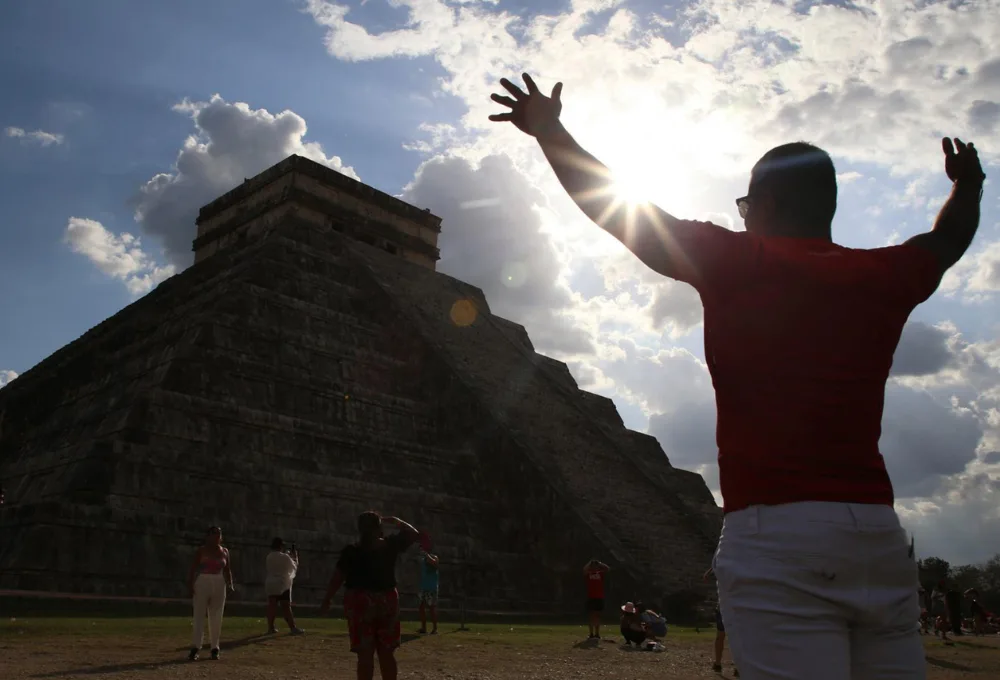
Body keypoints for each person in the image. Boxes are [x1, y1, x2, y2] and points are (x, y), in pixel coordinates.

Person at [489, 73, 986, 679]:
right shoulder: (885, 276)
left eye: (748, 206)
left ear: (767, 207)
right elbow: (949, 238)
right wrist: (970, 184)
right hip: (876, 538)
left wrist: (549, 130)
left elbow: (623, 216)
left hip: (778, 533)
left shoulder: (736, 262)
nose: (744, 218)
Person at [319, 512, 419, 680]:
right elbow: (414, 534)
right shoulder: (390, 545)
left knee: (364, 655)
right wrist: (396, 521)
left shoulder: (351, 551)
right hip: (387, 600)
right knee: (386, 653)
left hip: (359, 602)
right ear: (379, 528)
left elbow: (338, 577)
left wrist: (327, 599)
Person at [187, 526, 234, 661]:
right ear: (208, 536)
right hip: (203, 580)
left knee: (217, 615)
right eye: (214, 534)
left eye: (219, 534)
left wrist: (230, 584)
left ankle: (215, 647)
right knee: (199, 614)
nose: (217, 537)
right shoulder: (201, 550)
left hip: (219, 581)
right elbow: (193, 568)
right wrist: (190, 584)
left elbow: (227, 570)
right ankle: (196, 646)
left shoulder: (224, 551)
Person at [265, 537, 304, 635]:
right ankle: (293, 627)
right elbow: (294, 567)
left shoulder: (269, 556)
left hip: (271, 582)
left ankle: (271, 627)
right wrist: (294, 557)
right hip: (282, 583)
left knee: (272, 606)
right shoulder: (285, 557)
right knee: (286, 606)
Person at [704, 567, 739, 677]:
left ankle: (736, 666)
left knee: (734, 637)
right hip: (726, 606)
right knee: (722, 635)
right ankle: (718, 663)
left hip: (735, 606)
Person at [417, 550, 440, 635]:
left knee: (432, 608)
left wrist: (427, 555)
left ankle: (435, 628)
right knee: (421, 607)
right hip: (424, 587)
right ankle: (423, 628)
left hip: (432, 588)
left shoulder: (434, 557)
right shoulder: (423, 560)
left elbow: (434, 563)